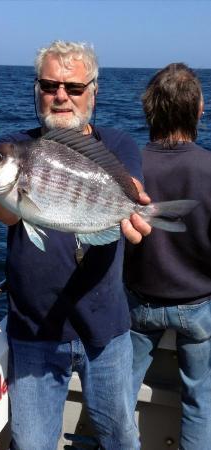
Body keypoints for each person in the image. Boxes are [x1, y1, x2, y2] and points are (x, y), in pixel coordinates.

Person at [0, 40, 151, 450]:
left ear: (94, 91)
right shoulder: (16, 145)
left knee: (122, 438)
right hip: (33, 331)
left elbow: (131, 188)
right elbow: (13, 214)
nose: (61, 96)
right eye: (49, 86)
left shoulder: (117, 144)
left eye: (74, 88)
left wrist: (134, 205)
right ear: (36, 89)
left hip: (107, 329)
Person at [124, 63, 211, 450]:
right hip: (199, 307)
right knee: (200, 403)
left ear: (149, 111)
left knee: (119, 397)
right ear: (198, 112)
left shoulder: (126, 168)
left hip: (139, 304)